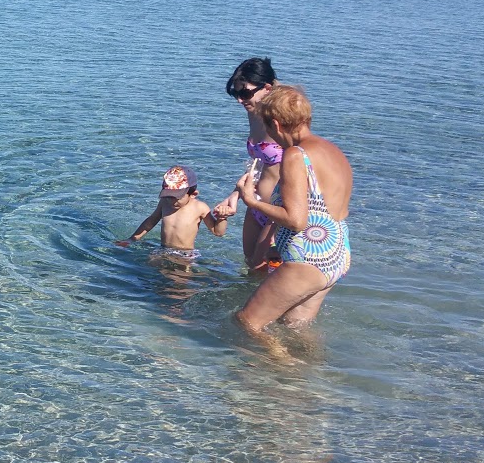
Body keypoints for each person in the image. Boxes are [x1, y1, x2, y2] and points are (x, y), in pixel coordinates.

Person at [235, 85, 353, 333]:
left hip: (309, 258)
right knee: (294, 330)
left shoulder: (295, 155)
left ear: (276, 125)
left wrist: (252, 201)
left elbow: (296, 220)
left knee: (247, 323)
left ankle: (286, 366)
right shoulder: (333, 150)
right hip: (337, 254)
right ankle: (307, 370)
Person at [210, 58, 283, 272]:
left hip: (277, 210)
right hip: (254, 203)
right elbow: (258, 164)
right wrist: (235, 195)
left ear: (267, 88)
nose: (239, 101)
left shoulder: (283, 120)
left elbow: (302, 164)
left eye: (245, 93)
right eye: (236, 94)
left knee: (269, 272)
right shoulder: (253, 115)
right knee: (252, 268)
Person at [116, 166, 228, 260]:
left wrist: (222, 218)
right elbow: (151, 221)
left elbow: (218, 232)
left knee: (179, 280)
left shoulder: (199, 208)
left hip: (185, 254)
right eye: (168, 196)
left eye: (177, 197)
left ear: (193, 193)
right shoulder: (164, 203)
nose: (171, 200)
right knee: (150, 271)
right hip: (163, 249)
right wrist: (132, 239)